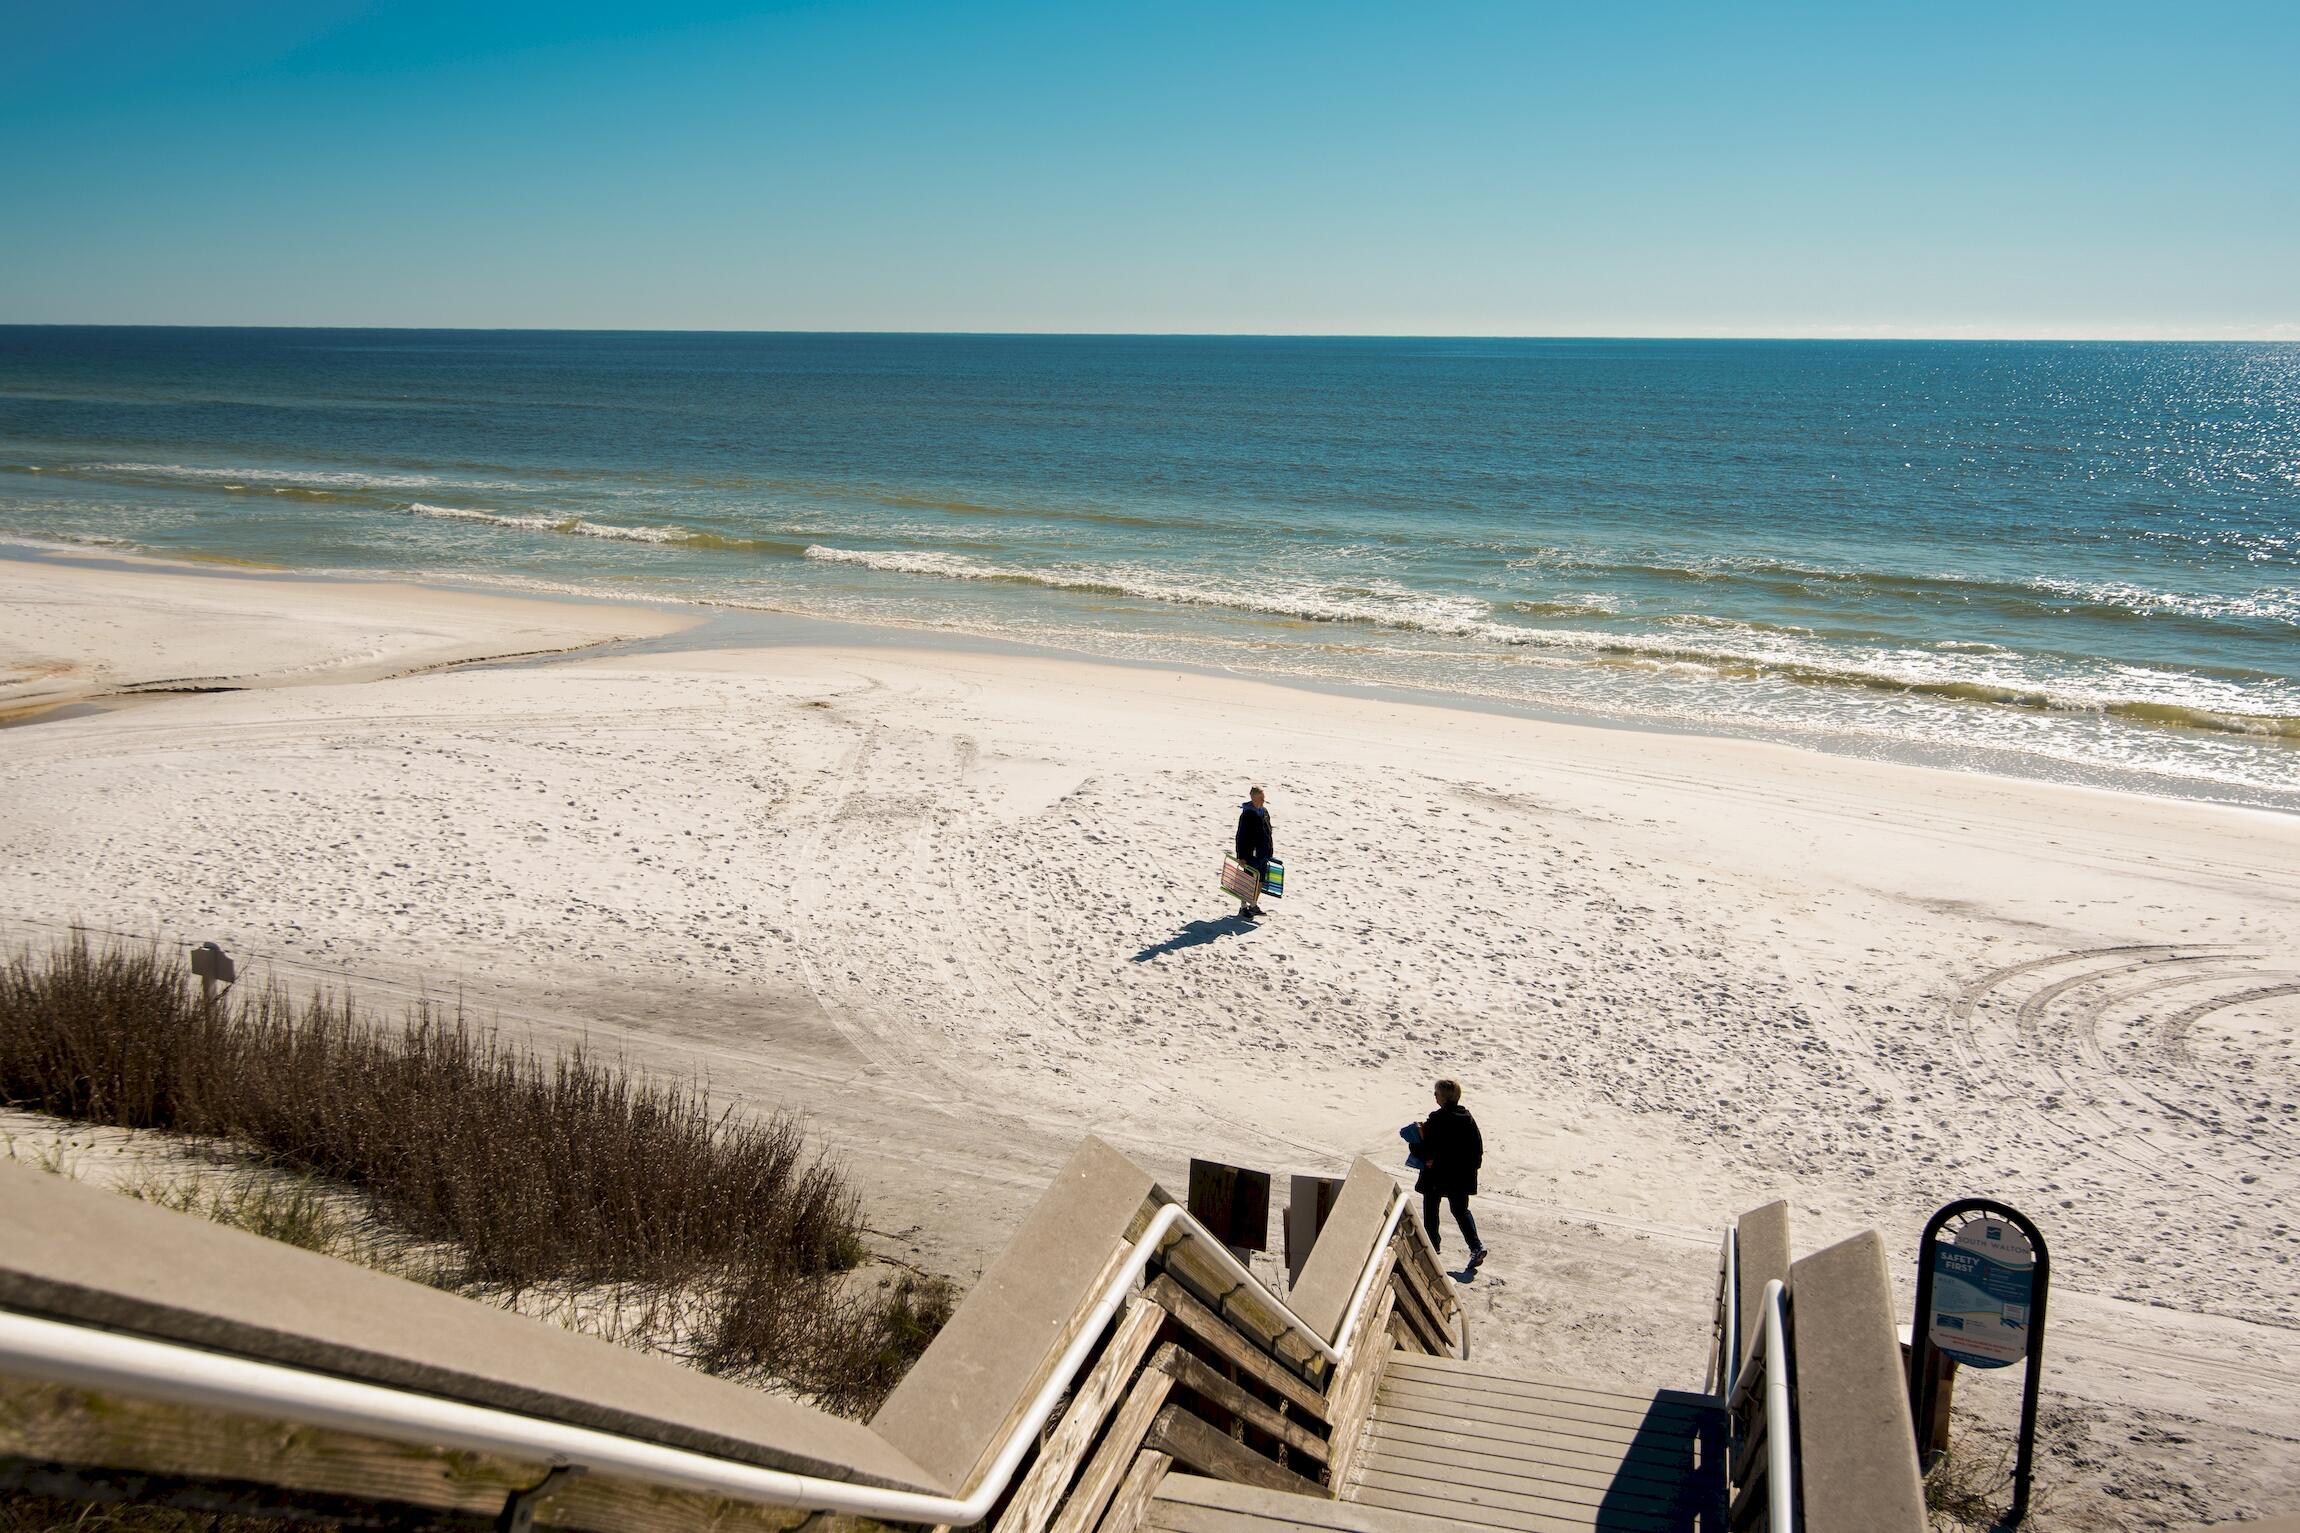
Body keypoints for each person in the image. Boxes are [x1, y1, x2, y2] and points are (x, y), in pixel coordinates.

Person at [1416, 1078, 1487, 1267]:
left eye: (1437, 1093)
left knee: (1431, 1207)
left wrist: (1417, 1145)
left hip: (1438, 1174)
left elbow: (1425, 1146)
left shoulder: (1437, 1119)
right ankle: (1476, 1247)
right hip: (1461, 1176)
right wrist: (1471, 1169)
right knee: (1460, 1210)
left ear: (1445, 1098)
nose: (1435, 1096)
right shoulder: (1467, 1118)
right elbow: (1477, 1149)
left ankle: (1432, 1248)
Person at [1234, 786, 1273, 919]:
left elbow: (1268, 832)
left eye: (1263, 798)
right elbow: (1240, 836)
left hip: (1263, 853)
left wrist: (1269, 850)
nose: (1263, 800)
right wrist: (1241, 856)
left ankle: (1253, 905)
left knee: (1260, 880)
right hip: (1250, 854)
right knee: (1248, 881)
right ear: (1254, 798)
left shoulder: (1264, 811)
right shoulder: (1247, 815)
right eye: (1261, 798)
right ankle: (1243, 907)